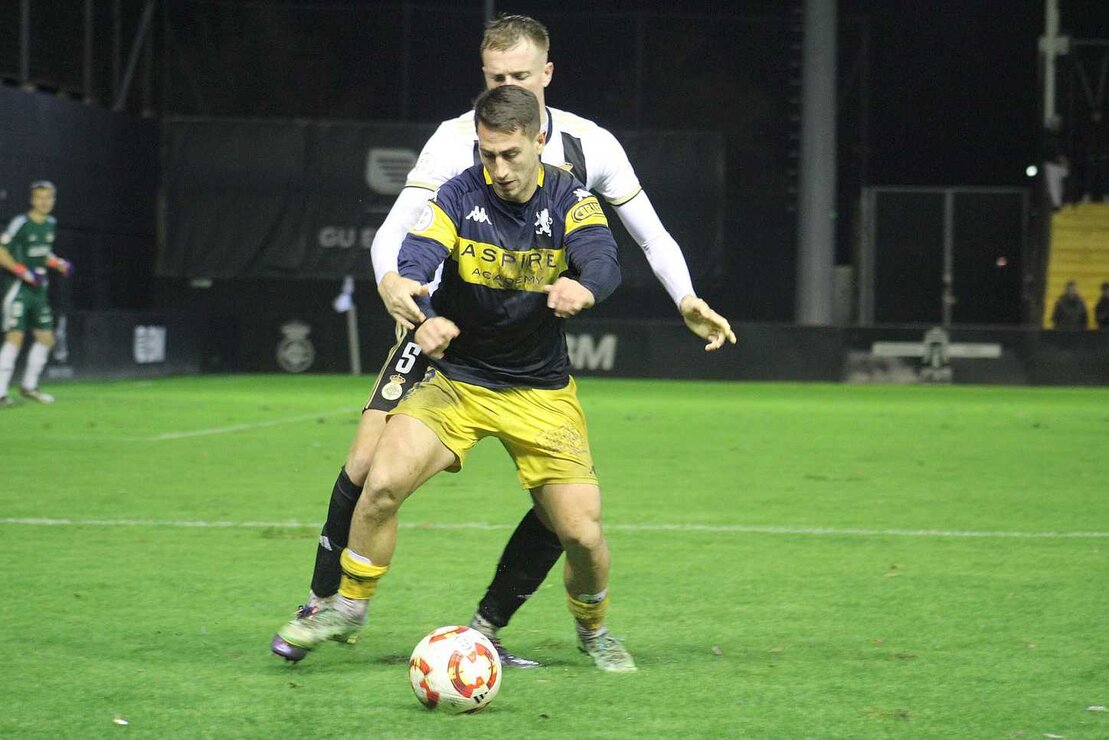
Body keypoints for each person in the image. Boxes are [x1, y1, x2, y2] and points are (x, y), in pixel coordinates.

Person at [272, 14, 736, 667]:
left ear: (546, 78)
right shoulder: (456, 148)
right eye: (495, 77)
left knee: (570, 518)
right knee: (367, 468)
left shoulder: (585, 155)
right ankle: (333, 604)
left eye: (519, 76)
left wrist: (680, 296)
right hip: (447, 342)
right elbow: (406, 236)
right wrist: (408, 296)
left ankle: (516, 624)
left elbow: (634, 242)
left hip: (533, 366)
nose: (507, 85)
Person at [276, 85, 636, 672]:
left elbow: (603, 257)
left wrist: (586, 286)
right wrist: (414, 300)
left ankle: (592, 630)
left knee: (583, 535)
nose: (498, 169)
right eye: (488, 155)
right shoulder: (458, 193)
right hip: (460, 381)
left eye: (511, 155)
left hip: (540, 391)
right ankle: (347, 607)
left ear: (538, 142)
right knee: (382, 480)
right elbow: (419, 254)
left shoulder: (572, 197)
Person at [0, 181, 72, 407]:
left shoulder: (50, 223)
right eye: (40, 197)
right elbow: (2, 252)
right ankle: (0, 392)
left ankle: (29, 386)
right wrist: (23, 272)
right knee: (15, 338)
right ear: (32, 200)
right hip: (18, 289)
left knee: (46, 338)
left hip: (39, 291)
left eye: (48, 198)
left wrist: (57, 263)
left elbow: (42, 252)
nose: (44, 202)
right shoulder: (21, 223)